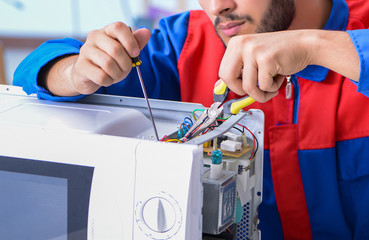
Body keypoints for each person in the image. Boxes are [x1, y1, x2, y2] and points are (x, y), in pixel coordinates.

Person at [13, 0, 369, 239]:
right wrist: (75, 70)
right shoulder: (181, 44)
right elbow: (35, 72)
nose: (218, 7)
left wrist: (316, 47)